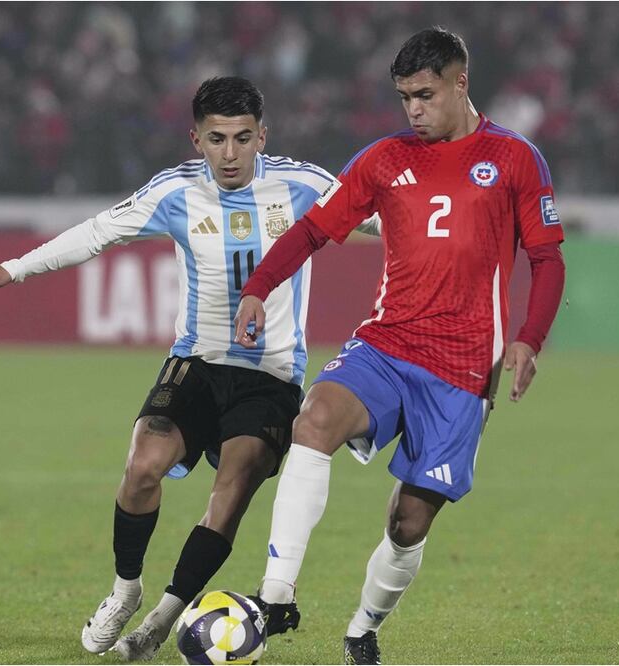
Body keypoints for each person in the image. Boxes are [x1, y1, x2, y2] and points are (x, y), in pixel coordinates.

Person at [0, 76, 380, 662]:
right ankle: (125, 589)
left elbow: (389, 220)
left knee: (229, 494)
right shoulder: (175, 191)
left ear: (263, 136)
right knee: (141, 467)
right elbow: (100, 231)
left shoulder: (304, 185)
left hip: (273, 376)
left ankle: (162, 619)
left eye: (242, 138)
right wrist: (15, 267)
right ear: (195, 138)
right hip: (197, 362)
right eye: (216, 139)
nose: (230, 154)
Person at [233, 27, 567, 665]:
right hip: (387, 344)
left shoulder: (516, 158)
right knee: (315, 419)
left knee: (407, 523)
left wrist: (529, 339)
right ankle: (275, 594)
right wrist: (258, 288)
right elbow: (310, 231)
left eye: (425, 94)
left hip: (464, 371)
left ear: (459, 82)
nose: (413, 109)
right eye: (404, 97)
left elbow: (548, 260)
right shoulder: (384, 158)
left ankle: (362, 628)